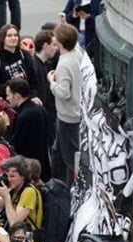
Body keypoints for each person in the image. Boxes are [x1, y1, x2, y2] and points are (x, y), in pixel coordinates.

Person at [48, 24, 83, 184]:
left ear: (60, 42)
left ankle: (69, 188)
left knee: (69, 158)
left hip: (68, 117)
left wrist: (51, 82)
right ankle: (59, 182)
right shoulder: (77, 54)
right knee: (59, 151)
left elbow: (64, 93)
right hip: (74, 114)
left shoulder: (64, 64)